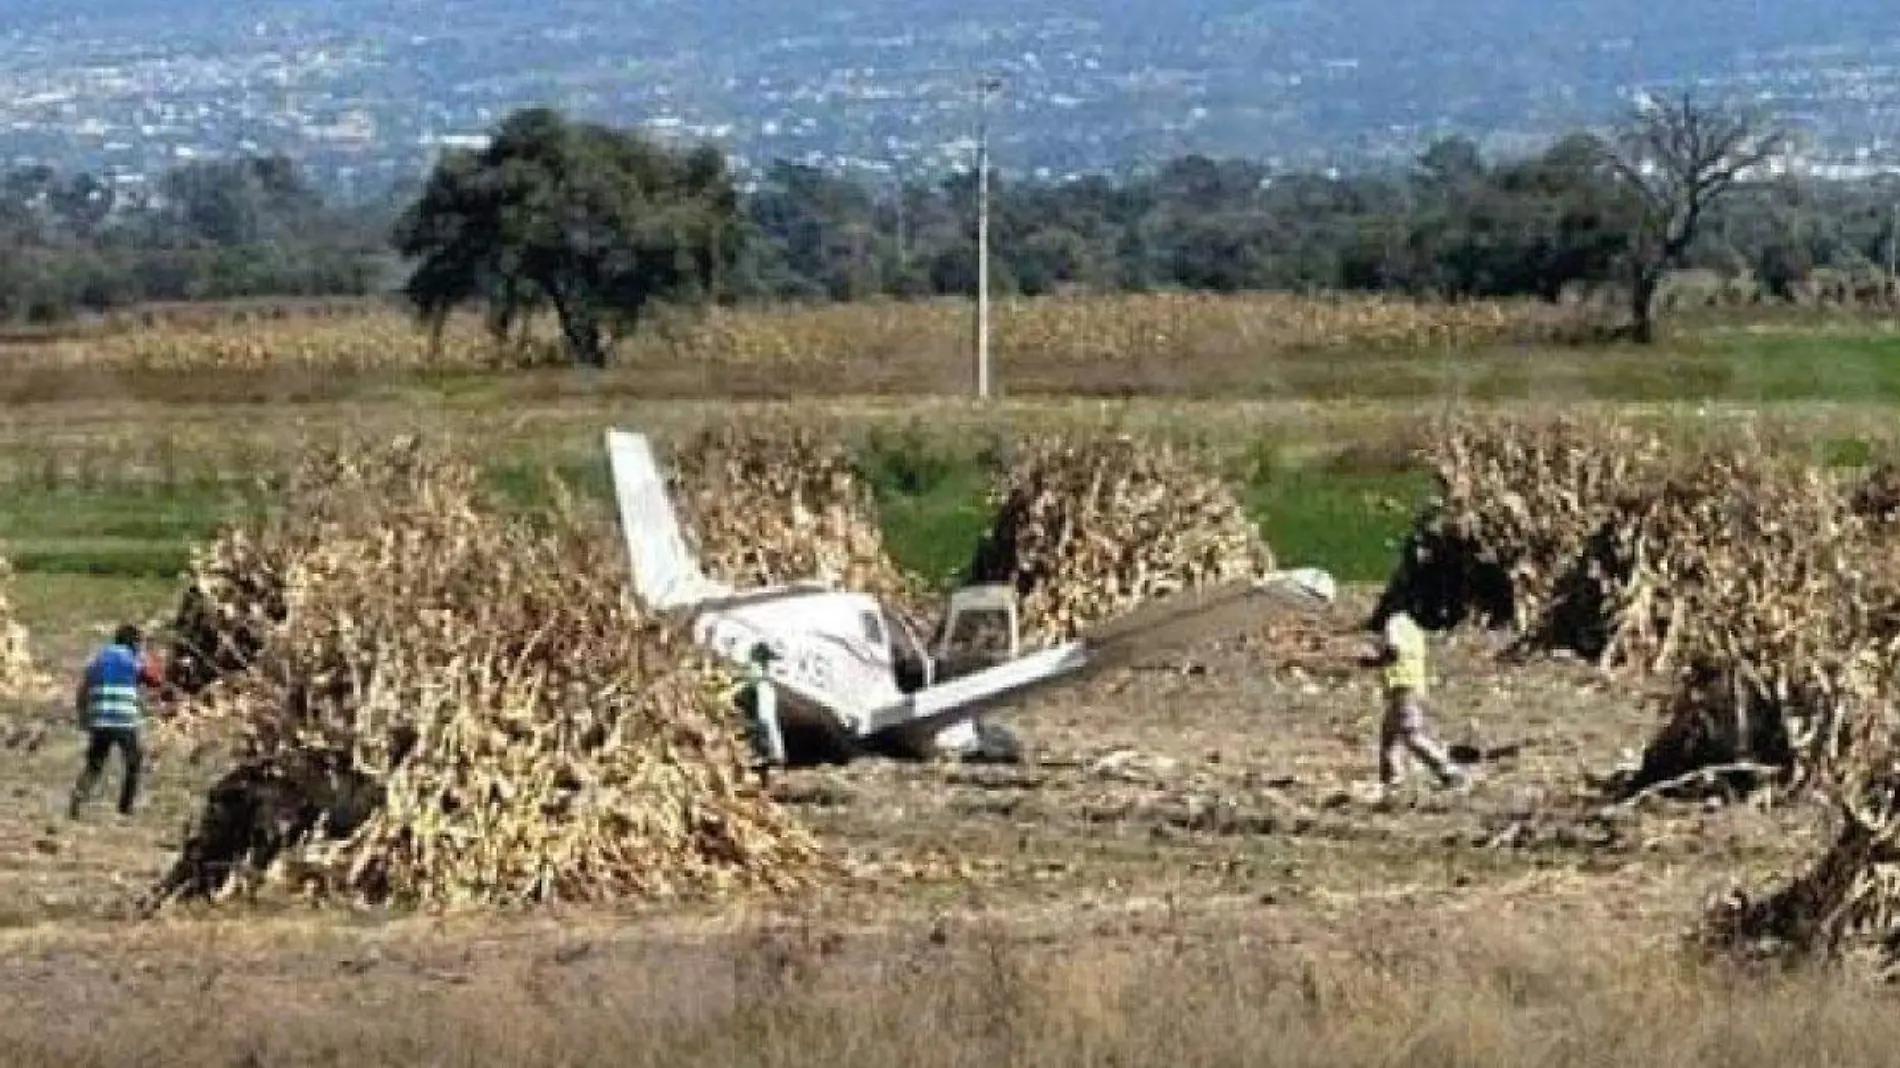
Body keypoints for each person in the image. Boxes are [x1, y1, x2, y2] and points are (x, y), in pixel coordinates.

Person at [1361, 612, 1467, 794]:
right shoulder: (1412, 627)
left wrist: (1373, 661)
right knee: (1389, 739)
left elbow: (1393, 653)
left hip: (1402, 687)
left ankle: (1448, 771)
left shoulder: (1395, 623)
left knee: (1411, 735)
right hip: (1409, 686)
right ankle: (1392, 784)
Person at [69, 623, 163, 819]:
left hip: (100, 720)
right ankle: (125, 808)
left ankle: (78, 799)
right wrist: (148, 657)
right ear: (134, 643)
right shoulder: (132, 659)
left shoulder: (98, 660)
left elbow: (83, 690)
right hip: (123, 721)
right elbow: (155, 679)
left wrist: (83, 716)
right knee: (133, 762)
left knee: (95, 764)